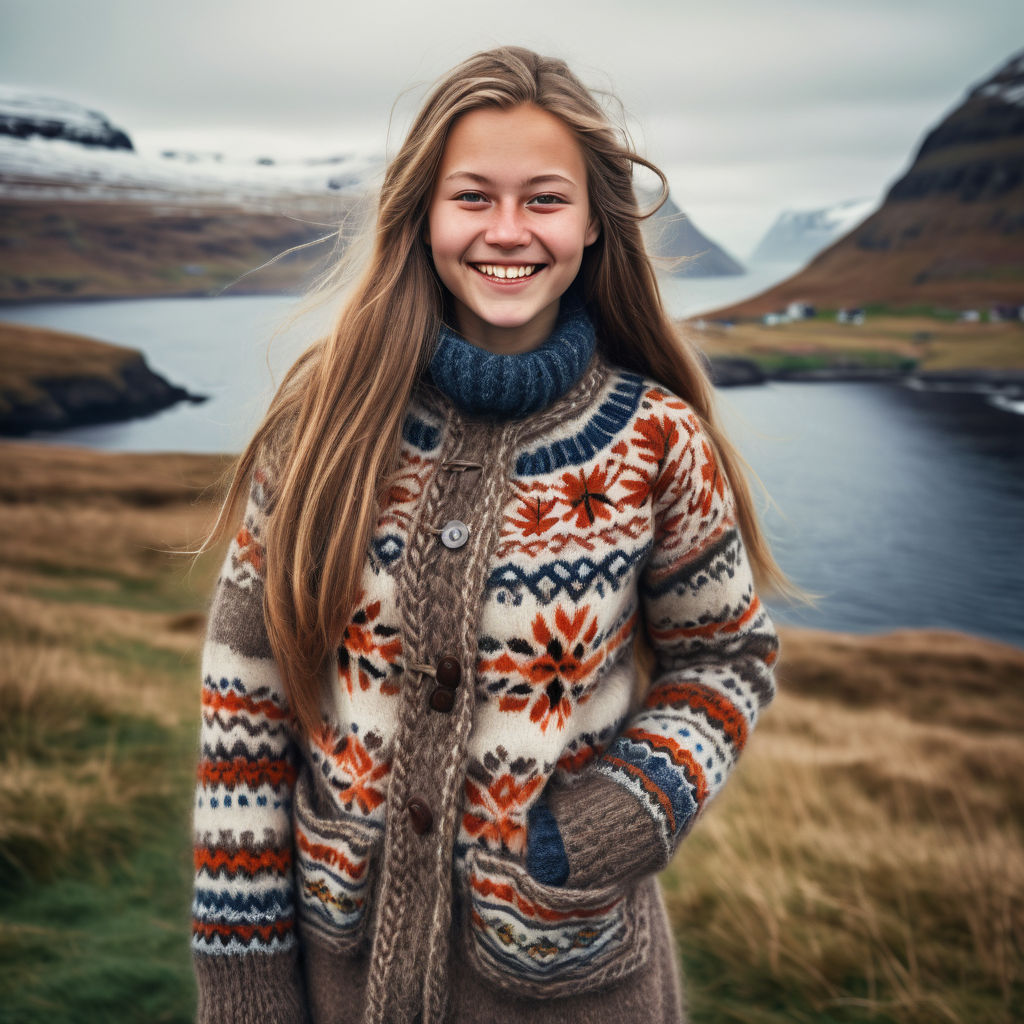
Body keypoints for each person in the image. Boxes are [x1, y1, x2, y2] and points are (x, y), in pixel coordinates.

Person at [191, 45, 783, 1024]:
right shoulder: (321, 427)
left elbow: (728, 656)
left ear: (595, 224)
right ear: (423, 214)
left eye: (544, 199)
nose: (507, 232)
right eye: (473, 197)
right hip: (341, 977)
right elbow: (244, 704)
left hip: (574, 980)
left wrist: (621, 812)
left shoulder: (656, 442)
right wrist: (243, 981)